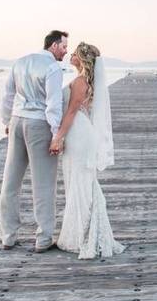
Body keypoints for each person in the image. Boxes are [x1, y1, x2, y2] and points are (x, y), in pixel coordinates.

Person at [51, 42, 125, 259]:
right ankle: (83, 232)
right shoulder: (86, 81)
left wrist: (58, 137)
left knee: (80, 183)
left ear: (81, 59)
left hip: (79, 134)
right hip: (83, 133)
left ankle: (80, 236)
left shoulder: (80, 81)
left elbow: (72, 112)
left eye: (73, 53)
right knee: (82, 182)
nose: (70, 55)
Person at [0, 29, 68, 252]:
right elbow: (53, 105)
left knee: (10, 181)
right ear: (54, 45)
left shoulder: (20, 62)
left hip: (18, 121)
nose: (66, 52)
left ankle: (7, 236)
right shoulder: (53, 68)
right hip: (39, 124)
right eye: (64, 46)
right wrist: (56, 134)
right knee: (43, 183)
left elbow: (8, 94)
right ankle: (43, 238)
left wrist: (7, 120)